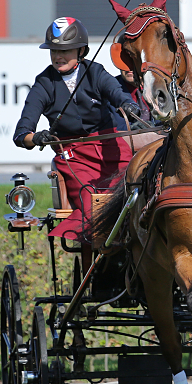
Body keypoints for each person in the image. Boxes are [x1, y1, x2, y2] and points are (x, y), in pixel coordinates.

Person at [13, 17, 140, 245]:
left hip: (111, 149)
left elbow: (116, 93)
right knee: (94, 202)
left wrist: (128, 105)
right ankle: (105, 252)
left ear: (81, 51)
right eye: (54, 51)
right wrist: (38, 137)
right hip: (74, 157)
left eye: (65, 50)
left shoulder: (95, 72)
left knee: (138, 190)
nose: (58, 56)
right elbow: (21, 135)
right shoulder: (43, 83)